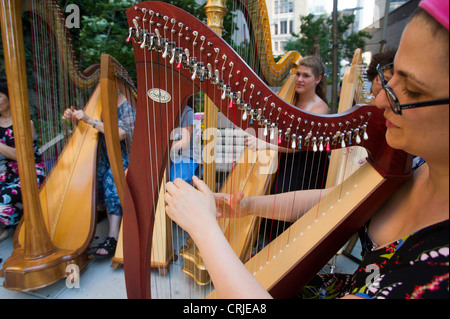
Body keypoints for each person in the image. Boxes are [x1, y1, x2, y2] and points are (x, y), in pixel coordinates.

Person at [164, 0, 449, 299]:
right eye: (393, 78)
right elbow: (337, 199)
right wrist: (246, 205)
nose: (380, 103)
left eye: (413, 91)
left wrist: (205, 230)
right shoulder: (414, 165)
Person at [62, 92, 135, 256]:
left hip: (127, 157)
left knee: (112, 177)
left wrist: (89, 120)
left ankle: (112, 236)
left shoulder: (127, 104)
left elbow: (122, 134)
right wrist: (74, 118)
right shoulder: (97, 101)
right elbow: (86, 129)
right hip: (103, 155)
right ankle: (80, 231)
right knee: (84, 177)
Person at [246, 56, 330, 194]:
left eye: (306, 76)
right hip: (285, 158)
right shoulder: (286, 97)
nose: (299, 79)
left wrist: (266, 144)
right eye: (298, 74)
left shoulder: (320, 108)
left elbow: (299, 143)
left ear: (318, 79)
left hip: (306, 166)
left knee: (277, 193)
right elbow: (261, 107)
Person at [0, 81, 46, 242]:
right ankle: (24, 223)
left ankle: (28, 224)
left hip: (31, 171)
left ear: (8, 97)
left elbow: (21, 156)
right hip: (8, 173)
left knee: (2, 203)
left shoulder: (26, 122)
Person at [170, 96, 201, 184]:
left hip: (185, 156)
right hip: (170, 156)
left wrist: (164, 147)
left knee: (178, 183)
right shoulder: (166, 111)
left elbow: (185, 142)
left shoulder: (187, 112)